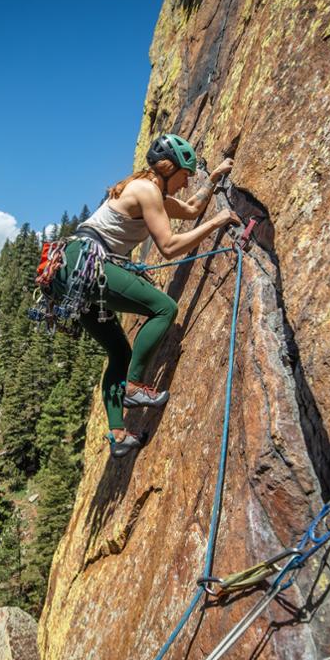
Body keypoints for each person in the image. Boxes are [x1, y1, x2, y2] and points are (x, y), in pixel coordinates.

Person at [50, 133, 238, 457]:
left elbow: (192, 209)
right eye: (184, 175)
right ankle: (134, 387)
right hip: (87, 263)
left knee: (120, 354)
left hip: (71, 270)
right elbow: (168, 248)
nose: (185, 183)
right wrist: (219, 221)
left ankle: (118, 434)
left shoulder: (146, 191)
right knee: (164, 309)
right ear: (168, 168)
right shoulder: (148, 191)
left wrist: (216, 177)